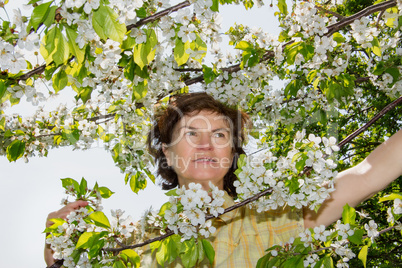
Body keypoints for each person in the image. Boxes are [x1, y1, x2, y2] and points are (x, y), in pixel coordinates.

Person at [45, 92, 402, 267]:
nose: (205, 143)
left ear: (231, 153)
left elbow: (368, 173)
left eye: (219, 134)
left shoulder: (276, 215)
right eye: (191, 132)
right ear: (168, 155)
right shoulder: (138, 244)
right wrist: (59, 250)